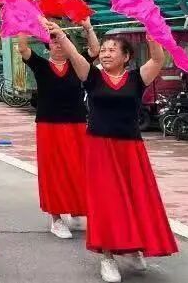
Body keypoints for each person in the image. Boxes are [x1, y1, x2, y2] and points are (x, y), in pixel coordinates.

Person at [63, 33, 178, 282]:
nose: (105, 54)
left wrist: (152, 33)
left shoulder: (137, 79)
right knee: (107, 203)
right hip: (100, 149)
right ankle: (107, 258)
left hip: (130, 149)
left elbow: (158, 59)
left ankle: (134, 247)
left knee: (135, 200)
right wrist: (60, 34)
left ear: (126, 57)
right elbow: (72, 54)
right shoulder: (92, 77)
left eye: (112, 50)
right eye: (103, 50)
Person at [17, 24, 89, 240]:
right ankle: (56, 219)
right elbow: (23, 48)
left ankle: (76, 209)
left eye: (61, 40)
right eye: (53, 41)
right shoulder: (41, 65)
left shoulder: (78, 64)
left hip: (77, 124)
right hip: (49, 126)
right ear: (48, 46)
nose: (58, 44)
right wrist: (23, 22)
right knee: (53, 171)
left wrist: (87, 27)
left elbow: (94, 50)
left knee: (79, 168)